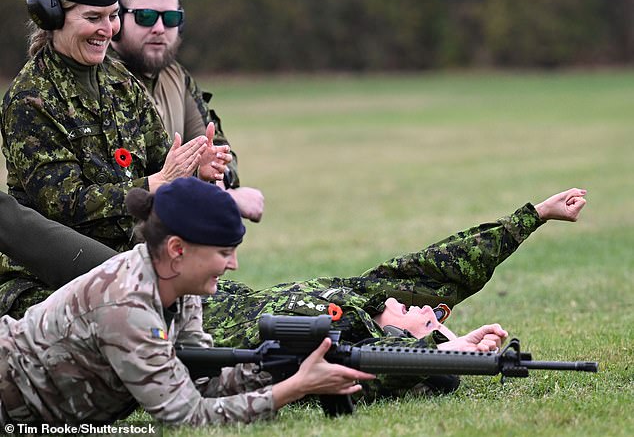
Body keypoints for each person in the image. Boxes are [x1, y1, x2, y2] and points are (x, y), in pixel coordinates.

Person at [0, 186, 586, 399]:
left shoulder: (349, 330)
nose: (426, 308)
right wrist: (530, 216)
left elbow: (361, 370)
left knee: (24, 298)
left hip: (155, 314)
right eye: (433, 314)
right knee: (24, 234)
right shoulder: (363, 300)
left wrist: (451, 353)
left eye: (424, 321)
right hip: (151, 291)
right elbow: (444, 264)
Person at [0, 177, 379, 425]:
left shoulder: (176, 284)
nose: (233, 265)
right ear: (178, 249)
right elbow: (187, 417)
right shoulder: (124, 306)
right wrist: (295, 388)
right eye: (224, 252)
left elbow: (199, 383)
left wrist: (277, 367)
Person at [0, 0, 230, 318]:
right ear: (53, 17)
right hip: (52, 280)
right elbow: (63, 204)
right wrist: (155, 183)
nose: (106, 29)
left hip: (137, 262)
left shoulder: (122, 84)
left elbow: (160, 164)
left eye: (112, 16)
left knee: (236, 306)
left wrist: (194, 171)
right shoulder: (31, 98)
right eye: (93, 18)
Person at [111, 0, 264, 223]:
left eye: (170, 18)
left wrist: (219, 176)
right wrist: (226, 197)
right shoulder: (101, 79)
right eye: (146, 16)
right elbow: (127, 184)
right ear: (117, 18)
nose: (160, 28)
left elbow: (217, 152)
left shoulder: (177, 77)